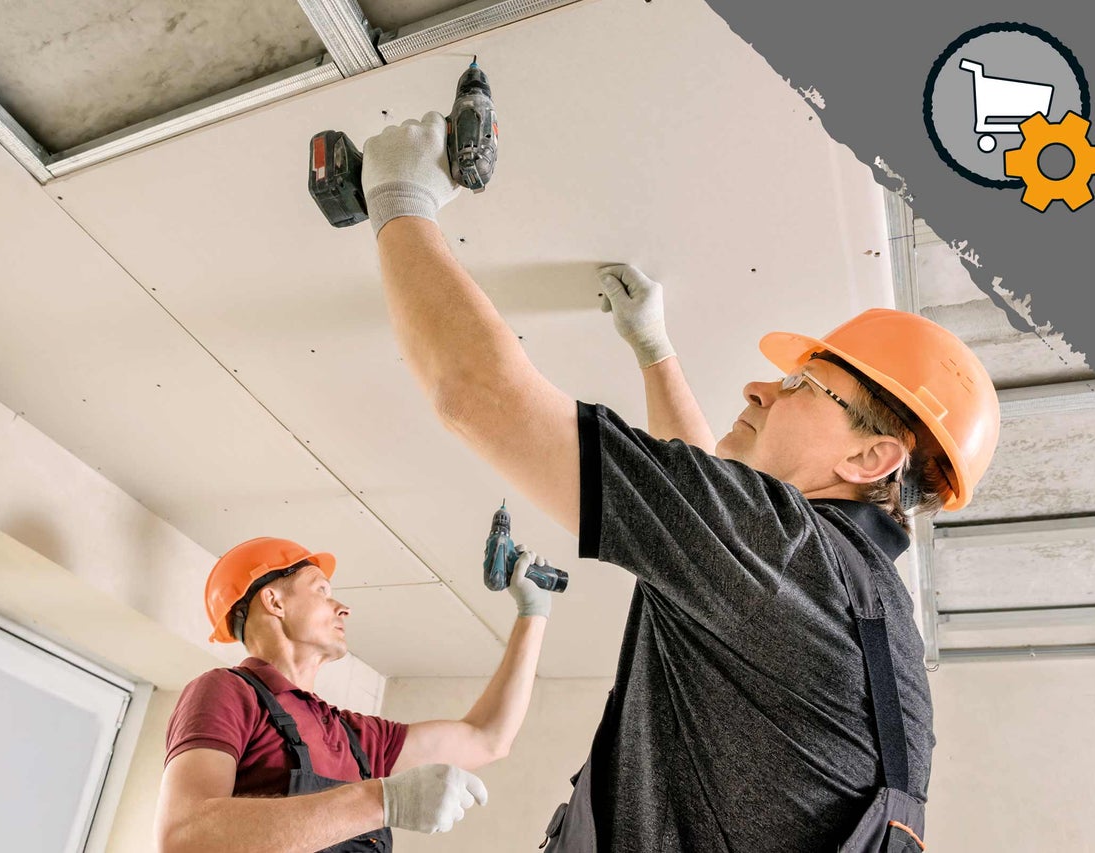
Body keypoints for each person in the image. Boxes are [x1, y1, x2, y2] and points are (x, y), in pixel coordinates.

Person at [356, 112, 1001, 851]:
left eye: (799, 383)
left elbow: (478, 395)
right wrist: (654, 350)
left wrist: (399, 196)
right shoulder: (864, 614)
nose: (762, 386)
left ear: (869, 460)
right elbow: (706, 524)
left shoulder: (787, 556)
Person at [154, 535, 557, 853]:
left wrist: (533, 613)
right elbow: (185, 837)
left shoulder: (354, 737)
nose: (342, 607)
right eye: (322, 590)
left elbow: (488, 738)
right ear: (274, 601)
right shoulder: (228, 692)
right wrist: (380, 801)